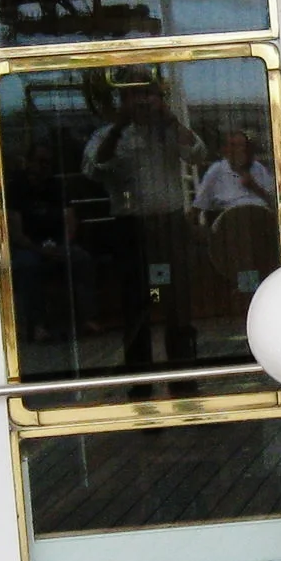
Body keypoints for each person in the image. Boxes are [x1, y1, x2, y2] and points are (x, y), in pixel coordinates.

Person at [83, 75, 207, 366]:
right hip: (132, 229)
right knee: (136, 304)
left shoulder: (170, 131)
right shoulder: (106, 135)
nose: (142, 102)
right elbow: (94, 169)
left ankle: (184, 371)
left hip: (170, 225)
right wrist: (119, 127)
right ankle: (139, 378)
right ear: (123, 102)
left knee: (178, 301)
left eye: (148, 95)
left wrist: (171, 121)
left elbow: (198, 154)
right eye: (133, 96)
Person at [192, 130, 277, 215]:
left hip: (259, 214)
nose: (240, 150)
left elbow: (273, 202)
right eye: (234, 146)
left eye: (243, 146)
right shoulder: (217, 170)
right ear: (226, 149)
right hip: (231, 217)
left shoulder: (258, 168)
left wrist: (254, 186)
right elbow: (199, 204)